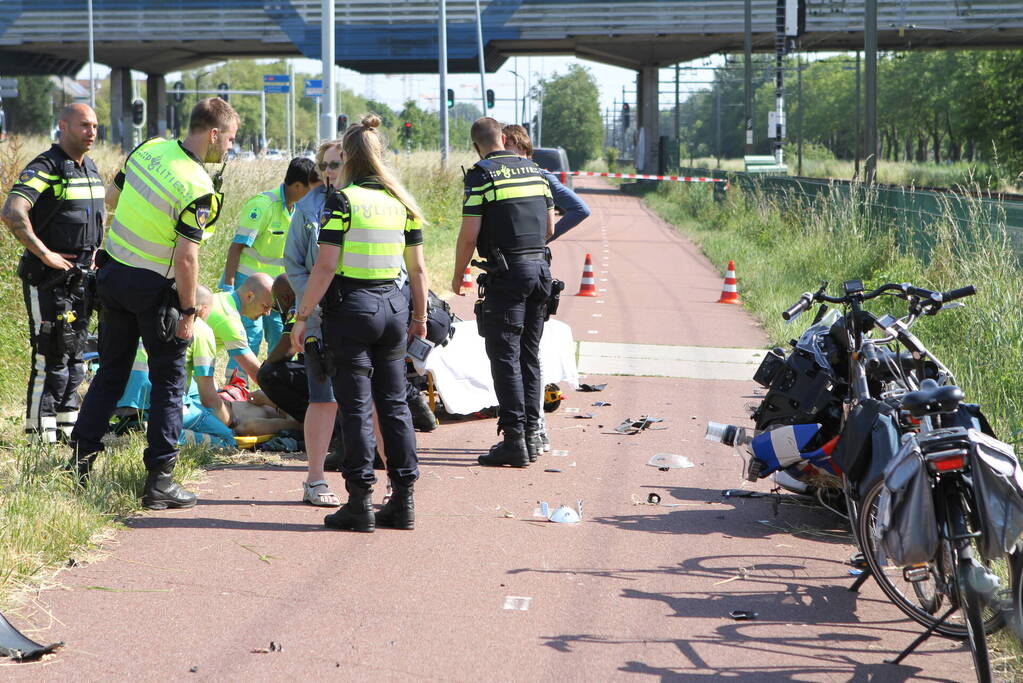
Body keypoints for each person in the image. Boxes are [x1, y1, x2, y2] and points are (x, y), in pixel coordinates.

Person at [70, 97, 239, 510]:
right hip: (155, 292)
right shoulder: (199, 188)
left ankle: (78, 465)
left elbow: (112, 197)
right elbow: (186, 258)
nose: (230, 147)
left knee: (110, 372)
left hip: (113, 276)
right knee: (169, 383)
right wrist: (188, 311)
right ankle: (160, 481)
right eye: (230, 139)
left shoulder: (149, 148)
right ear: (213, 134)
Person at [292, 114, 428, 532]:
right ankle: (403, 500)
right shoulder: (401, 203)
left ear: (348, 157)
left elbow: (325, 267)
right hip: (394, 309)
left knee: (355, 407)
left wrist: (302, 317)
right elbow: (418, 269)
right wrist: (420, 317)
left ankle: (360, 502)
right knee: (394, 405)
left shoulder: (342, 201)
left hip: (352, 309)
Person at [453, 117, 554, 467]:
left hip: (507, 275)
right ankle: (532, 435)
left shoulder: (481, 175)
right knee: (529, 355)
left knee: (504, 356)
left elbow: (469, 234)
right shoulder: (536, 170)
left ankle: (514, 439)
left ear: (476, 145)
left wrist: (458, 274)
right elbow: (549, 227)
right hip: (540, 271)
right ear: (502, 137)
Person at [1, 103, 105, 443]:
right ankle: (39, 435)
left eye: (95, 126)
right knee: (50, 353)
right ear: (63, 125)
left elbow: (96, 220)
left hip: (82, 280)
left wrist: (96, 255)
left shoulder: (90, 169)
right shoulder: (46, 166)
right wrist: (44, 254)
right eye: (84, 125)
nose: (91, 132)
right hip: (48, 280)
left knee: (76, 354)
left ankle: (67, 427)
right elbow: (12, 211)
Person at [284, 139, 344, 507]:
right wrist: (310, 307)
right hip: (320, 317)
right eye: (325, 165)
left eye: (336, 164)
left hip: (364, 314)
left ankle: (391, 484)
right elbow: (294, 263)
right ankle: (315, 479)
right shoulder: (307, 208)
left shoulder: (370, 201)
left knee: (373, 399)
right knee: (323, 397)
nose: (329, 172)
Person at [221, 157, 316, 371]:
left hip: (280, 289)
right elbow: (236, 247)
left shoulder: (300, 211)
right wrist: (228, 287)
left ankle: (275, 382)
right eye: (310, 189)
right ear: (297, 186)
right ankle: (236, 383)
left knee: (281, 334)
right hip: (250, 284)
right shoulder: (263, 205)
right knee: (249, 337)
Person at [502, 124, 590, 243]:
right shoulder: (499, 175)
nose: (501, 151)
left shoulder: (542, 176)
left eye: (506, 145)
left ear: (522, 147)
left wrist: (543, 240)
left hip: (529, 251)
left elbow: (580, 210)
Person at [206, 272, 275, 384]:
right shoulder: (230, 320)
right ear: (250, 296)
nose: (267, 313)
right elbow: (256, 373)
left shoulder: (223, 297)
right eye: (265, 306)